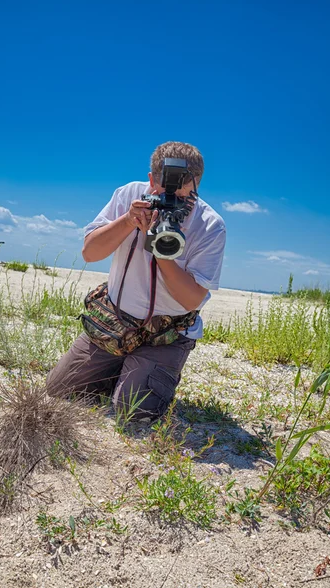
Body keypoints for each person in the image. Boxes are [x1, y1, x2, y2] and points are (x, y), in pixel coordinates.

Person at [46, 141, 226, 420]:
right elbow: (89, 253)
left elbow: (191, 299)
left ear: (197, 185)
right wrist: (128, 221)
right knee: (59, 389)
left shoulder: (210, 225)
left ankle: (146, 371)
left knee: (132, 412)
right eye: (164, 190)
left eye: (184, 194)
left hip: (166, 335)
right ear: (151, 179)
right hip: (115, 322)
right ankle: (124, 369)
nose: (173, 200)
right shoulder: (128, 194)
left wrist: (162, 249)